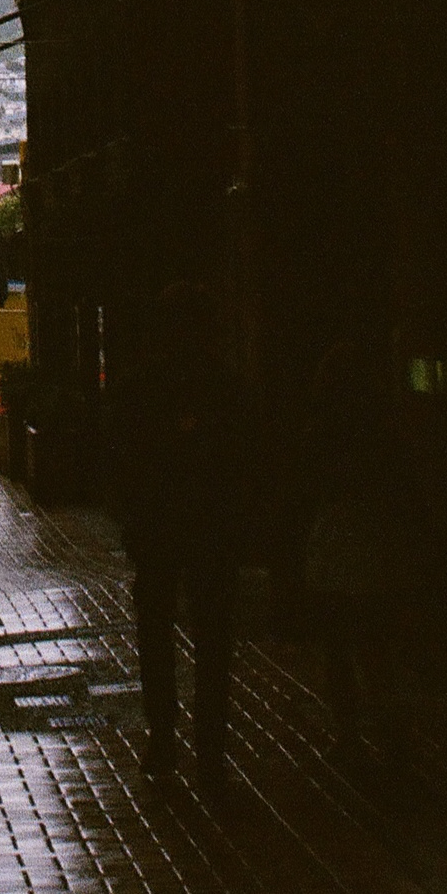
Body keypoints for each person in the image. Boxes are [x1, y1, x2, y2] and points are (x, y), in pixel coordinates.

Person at [106, 283, 245, 793]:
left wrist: (132, 517)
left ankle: (164, 737)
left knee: (157, 632)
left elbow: (121, 457)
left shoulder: (140, 387)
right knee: (212, 639)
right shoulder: (222, 387)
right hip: (209, 528)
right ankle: (210, 747)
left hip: (159, 527)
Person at [299, 339, 417, 781]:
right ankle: (394, 740)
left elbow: (306, 488)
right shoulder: (383, 432)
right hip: (373, 543)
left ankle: (349, 737)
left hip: (334, 546)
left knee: (339, 649)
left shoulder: (320, 434)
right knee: (377, 651)